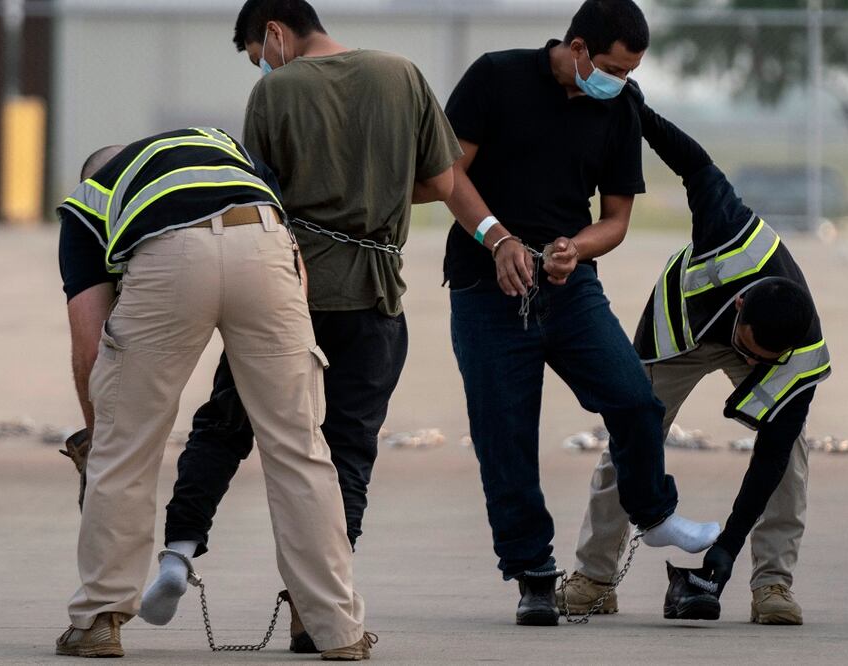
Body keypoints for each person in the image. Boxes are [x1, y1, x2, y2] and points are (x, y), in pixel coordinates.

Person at [137, 0, 460, 652]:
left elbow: (257, 195)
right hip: (372, 297)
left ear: (275, 34)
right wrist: (379, 188)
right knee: (345, 455)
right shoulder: (404, 75)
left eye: (260, 55)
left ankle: (178, 551)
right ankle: (316, 610)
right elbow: (443, 179)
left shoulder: (275, 94)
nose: (264, 67)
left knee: (226, 424)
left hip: (285, 292)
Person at [441, 0, 720, 627]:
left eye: (631, 71)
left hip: (570, 290)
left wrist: (576, 248)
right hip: (487, 291)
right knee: (504, 436)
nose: (621, 82)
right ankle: (534, 577)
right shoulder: (495, 76)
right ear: (577, 48)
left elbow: (616, 218)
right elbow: (446, 176)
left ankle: (652, 514)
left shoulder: (619, 105)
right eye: (614, 68)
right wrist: (496, 237)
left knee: (634, 399)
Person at [54, 127, 373, 660]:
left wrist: (97, 437)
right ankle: (338, 629)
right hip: (266, 245)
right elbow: (292, 260)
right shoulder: (222, 145)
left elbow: (89, 342)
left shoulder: (89, 200)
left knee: (127, 446)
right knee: (301, 447)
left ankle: (100, 619)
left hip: (167, 256)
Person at [559, 92, 831, 626]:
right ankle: (594, 578)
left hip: (752, 336)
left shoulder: (800, 352)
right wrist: (639, 114)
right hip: (677, 335)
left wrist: (723, 554)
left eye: (762, 358)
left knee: (791, 457)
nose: (747, 360)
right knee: (630, 438)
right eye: (748, 347)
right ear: (738, 307)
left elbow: (768, 462)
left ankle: (772, 585)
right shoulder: (724, 224)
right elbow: (692, 160)